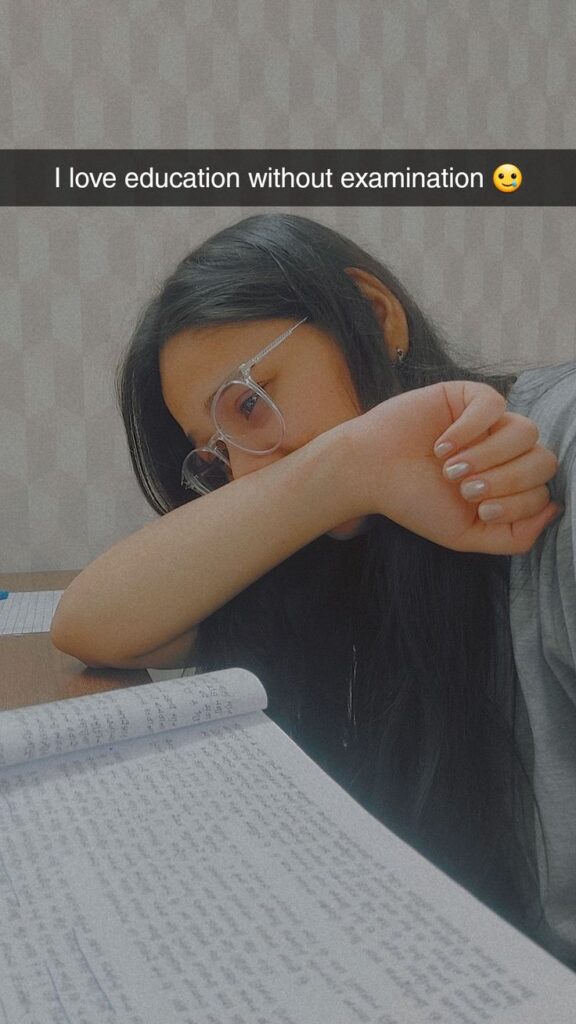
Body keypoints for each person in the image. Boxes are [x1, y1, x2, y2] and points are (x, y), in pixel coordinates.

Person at [51, 212, 576, 968]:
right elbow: (90, 622)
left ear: (372, 315)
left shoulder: (548, 444)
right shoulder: (329, 537)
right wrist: (350, 463)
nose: (250, 471)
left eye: (251, 400)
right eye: (216, 455)